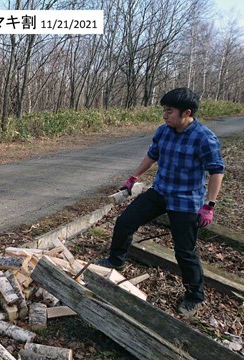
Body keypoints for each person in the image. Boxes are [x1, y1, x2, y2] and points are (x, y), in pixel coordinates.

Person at [96, 87, 225, 317]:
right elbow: (152, 155)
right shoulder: (163, 132)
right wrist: (133, 178)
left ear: (186, 112)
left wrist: (209, 205)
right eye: (164, 110)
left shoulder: (204, 138)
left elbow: (216, 171)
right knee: (125, 221)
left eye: (169, 111)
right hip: (161, 191)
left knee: (185, 251)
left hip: (186, 201)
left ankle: (194, 295)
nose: (165, 115)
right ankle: (116, 260)